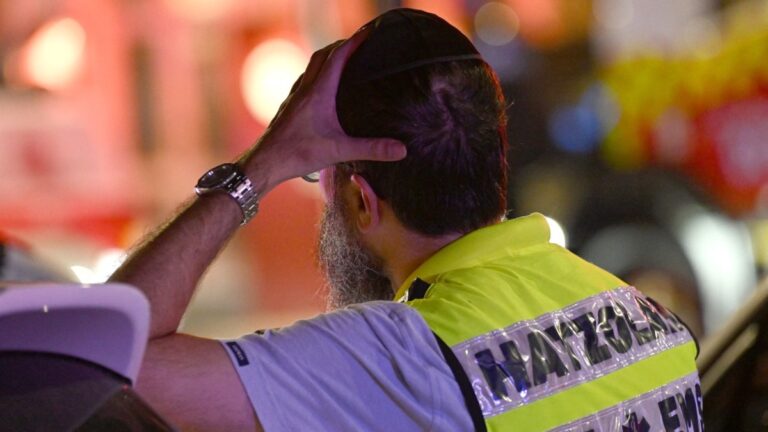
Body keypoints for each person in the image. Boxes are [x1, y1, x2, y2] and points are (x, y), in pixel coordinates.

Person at [109, 8, 703, 432]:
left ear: (363, 201)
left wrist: (263, 165)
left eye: (325, 181)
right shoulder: (651, 319)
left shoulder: (397, 357)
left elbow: (104, 365)